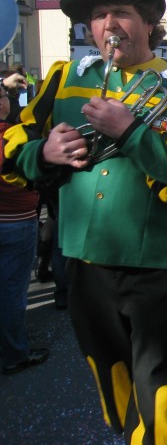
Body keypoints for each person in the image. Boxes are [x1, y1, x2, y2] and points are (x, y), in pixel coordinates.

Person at [1, 0, 167, 443]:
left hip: (156, 265)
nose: (110, 24)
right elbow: (14, 141)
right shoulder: (65, 79)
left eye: (123, 13)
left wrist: (132, 133)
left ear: (148, 22)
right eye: (99, 15)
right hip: (85, 262)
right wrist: (42, 153)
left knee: (159, 387)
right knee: (110, 376)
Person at [0, 84, 49, 375]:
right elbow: (32, 174)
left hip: (16, 220)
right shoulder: (11, 134)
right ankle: (15, 353)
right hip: (15, 221)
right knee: (11, 293)